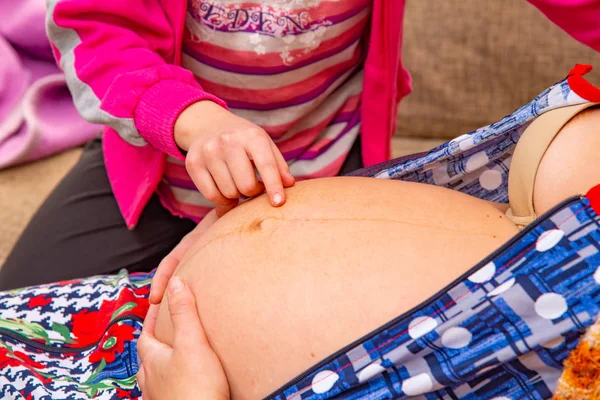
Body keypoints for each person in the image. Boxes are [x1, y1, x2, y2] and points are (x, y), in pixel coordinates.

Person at [1, 0, 599, 290]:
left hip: (327, 166)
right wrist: (194, 121)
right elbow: (100, 36)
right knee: (19, 312)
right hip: (159, 166)